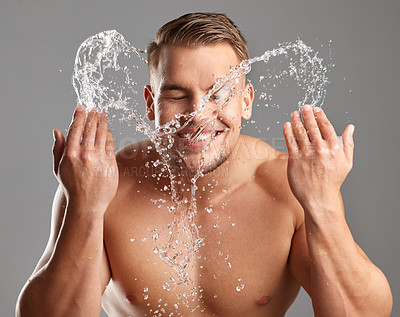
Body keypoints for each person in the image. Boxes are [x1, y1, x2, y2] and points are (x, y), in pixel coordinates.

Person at [16, 12, 392, 317]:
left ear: (245, 101)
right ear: (151, 104)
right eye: (177, 95)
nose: (197, 114)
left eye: (220, 94)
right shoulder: (100, 186)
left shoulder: (291, 189)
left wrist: (323, 201)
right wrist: (83, 206)